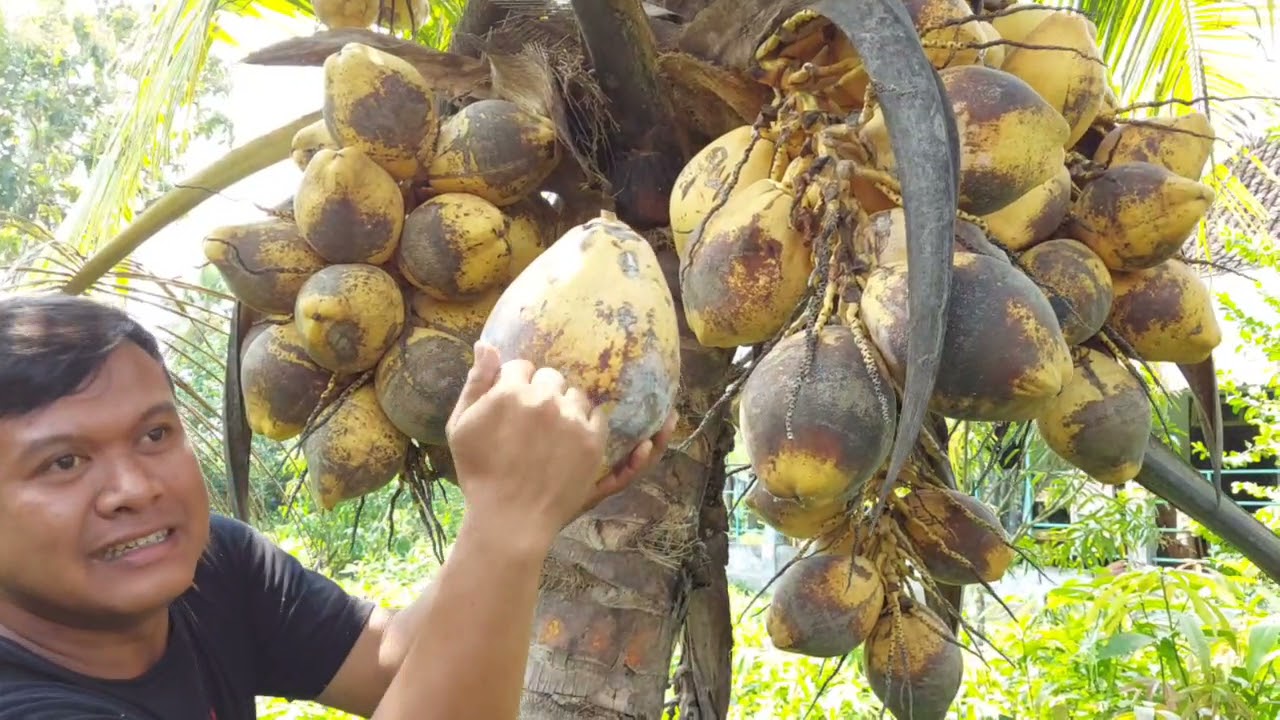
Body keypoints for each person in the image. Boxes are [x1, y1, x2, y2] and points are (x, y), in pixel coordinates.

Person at [0, 292, 676, 720]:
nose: (136, 489)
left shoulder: (212, 564)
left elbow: (389, 663)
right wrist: (504, 528)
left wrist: (529, 511)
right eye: (64, 462)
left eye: (155, 435)